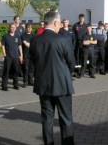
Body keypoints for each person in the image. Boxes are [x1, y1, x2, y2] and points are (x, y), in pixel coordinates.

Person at [29, 11, 75, 145]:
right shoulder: (63, 39)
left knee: (47, 119)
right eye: (60, 23)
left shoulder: (35, 40)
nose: (61, 25)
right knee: (66, 119)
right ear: (55, 23)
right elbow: (71, 63)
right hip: (62, 85)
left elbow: (32, 61)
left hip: (43, 85)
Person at [1, 23, 23, 91]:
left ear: (15, 28)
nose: (12, 28)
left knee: (16, 71)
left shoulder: (17, 36)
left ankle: (15, 85)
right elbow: (3, 45)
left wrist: (21, 55)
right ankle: (4, 86)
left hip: (16, 56)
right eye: (11, 27)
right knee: (6, 71)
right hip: (8, 56)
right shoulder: (5, 36)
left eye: (14, 27)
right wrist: (4, 53)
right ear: (9, 28)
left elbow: (19, 46)